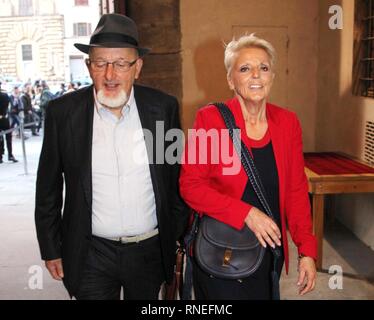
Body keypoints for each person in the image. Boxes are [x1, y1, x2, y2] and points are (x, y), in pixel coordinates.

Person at [35, 13, 188, 300]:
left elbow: (174, 179)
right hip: (90, 252)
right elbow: (48, 190)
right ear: (88, 66)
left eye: (120, 64)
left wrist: (173, 234)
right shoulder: (63, 114)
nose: (110, 74)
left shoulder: (162, 110)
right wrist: (51, 248)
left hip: (149, 252)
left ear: (137, 67)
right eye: (101, 63)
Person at [179, 34, 317, 300]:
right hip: (221, 255)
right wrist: (246, 213)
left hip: (267, 255)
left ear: (272, 76)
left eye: (264, 68)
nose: (256, 75)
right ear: (231, 79)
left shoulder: (288, 123)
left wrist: (307, 251)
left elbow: (296, 192)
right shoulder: (210, 119)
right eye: (245, 68)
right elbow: (190, 186)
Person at [0, 82, 18, 163]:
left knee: (1, 138)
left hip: (3, 118)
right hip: (4, 118)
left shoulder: (4, 95)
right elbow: (9, 106)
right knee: (8, 137)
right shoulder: (5, 95)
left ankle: (0, 156)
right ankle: (10, 154)